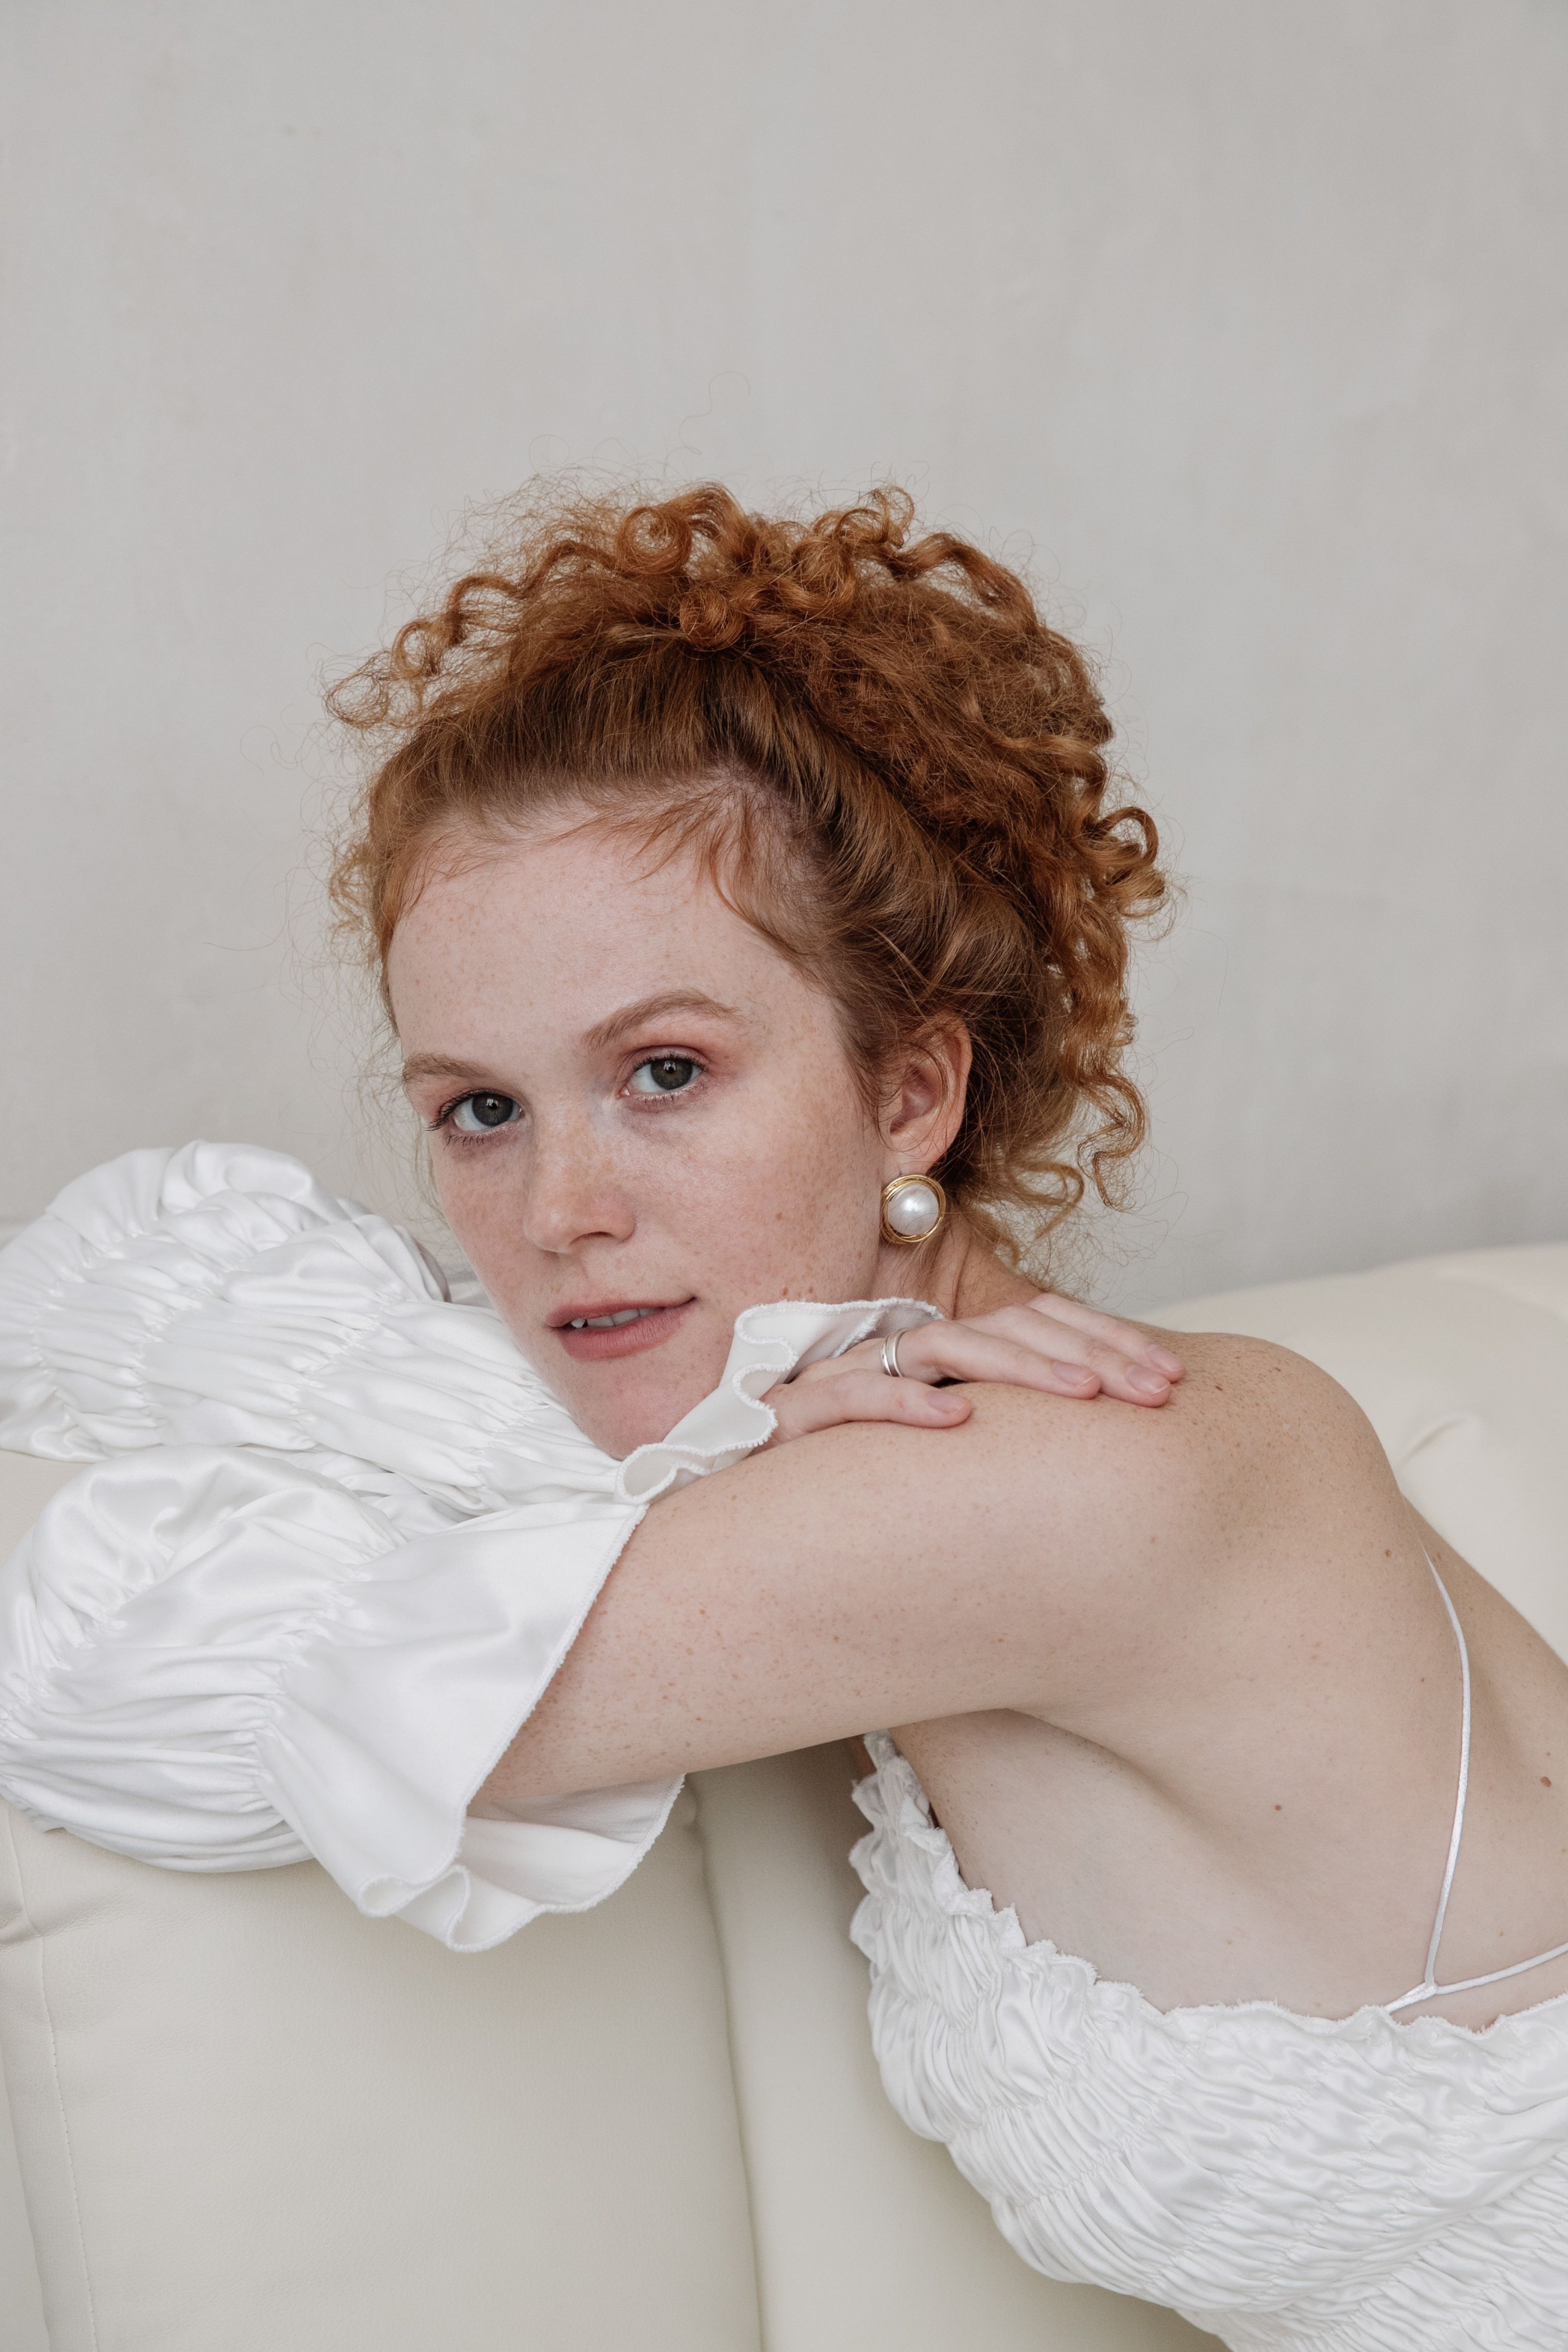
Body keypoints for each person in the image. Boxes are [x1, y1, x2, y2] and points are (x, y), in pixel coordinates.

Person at [1, 484, 1564, 2349]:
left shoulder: (1039, 1480)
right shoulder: (908, 1435)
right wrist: (737, 1422)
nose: (559, 1208)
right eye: (479, 1109)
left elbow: (120, 1689)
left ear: (910, 1096)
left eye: (665, 1072)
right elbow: (102, 1302)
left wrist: (724, 1437)